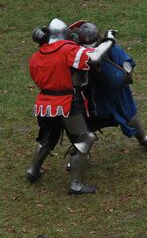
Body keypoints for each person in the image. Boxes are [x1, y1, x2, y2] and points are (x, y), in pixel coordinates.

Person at [27, 19, 117, 194]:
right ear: (63, 34)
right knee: (84, 139)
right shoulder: (67, 50)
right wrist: (109, 40)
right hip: (68, 102)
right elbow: (94, 57)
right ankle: (76, 185)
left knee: (48, 137)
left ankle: (33, 171)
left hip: (44, 103)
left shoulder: (37, 55)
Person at [75, 22, 147, 153]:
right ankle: (77, 154)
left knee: (132, 118)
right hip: (95, 96)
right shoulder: (80, 56)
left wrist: (121, 75)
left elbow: (128, 69)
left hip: (119, 94)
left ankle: (144, 139)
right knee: (85, 128)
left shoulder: (114, 51)